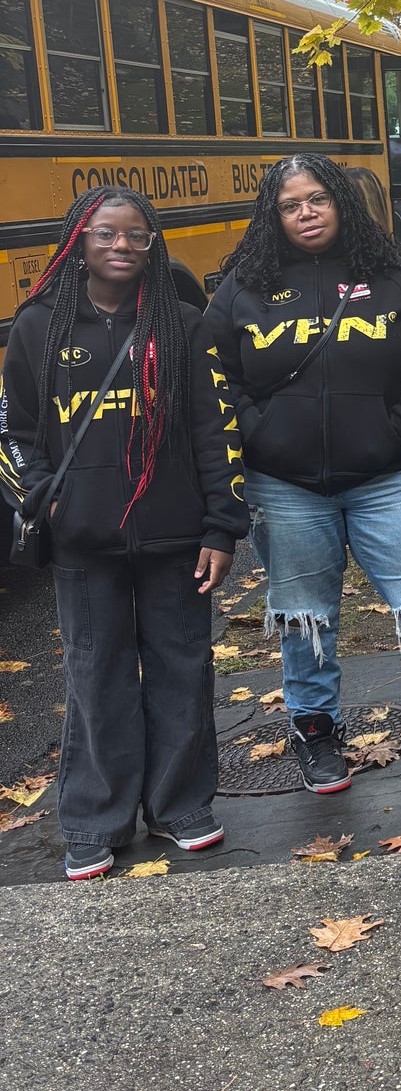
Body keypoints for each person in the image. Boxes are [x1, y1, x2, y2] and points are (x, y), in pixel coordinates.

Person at [206, 153, 401, 792]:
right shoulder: (243, 286)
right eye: (290, 205)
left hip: (393, 476)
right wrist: (259, 432)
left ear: (341, 202)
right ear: (272, 215)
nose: (306, 214)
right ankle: (315, 732)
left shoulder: (393, 273)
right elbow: (215, 374)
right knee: (304, 616)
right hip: (285, 486)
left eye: (318, 200)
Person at [0, 187, 247, 880]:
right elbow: (16, 431)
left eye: (137, 235)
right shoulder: (38, 327)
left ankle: (180, 805)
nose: (122, 246)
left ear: (152, 245)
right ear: (78, 241)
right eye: (106, 233)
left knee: (182, 668)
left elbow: (215, 432)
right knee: (95, 676)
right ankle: (94, 819)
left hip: (177, 538)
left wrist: (222, 528)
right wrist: (47, 500)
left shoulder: (183, 324)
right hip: (84, 543)